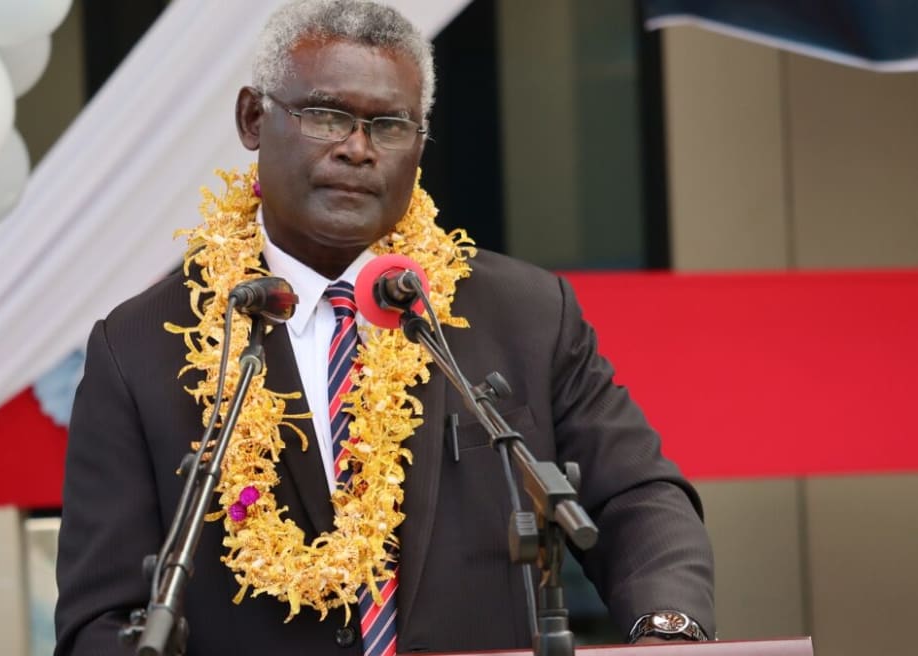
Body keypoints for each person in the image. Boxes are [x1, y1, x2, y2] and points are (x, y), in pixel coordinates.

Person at [54, 1, 715, 654]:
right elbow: (100, 619)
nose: (357, 149)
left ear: (420, 143)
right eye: (326, 115)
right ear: (254, 118)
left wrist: (670, 627)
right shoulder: (142, 348)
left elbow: (637, 495)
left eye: (388, 125)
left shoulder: (524, 314)